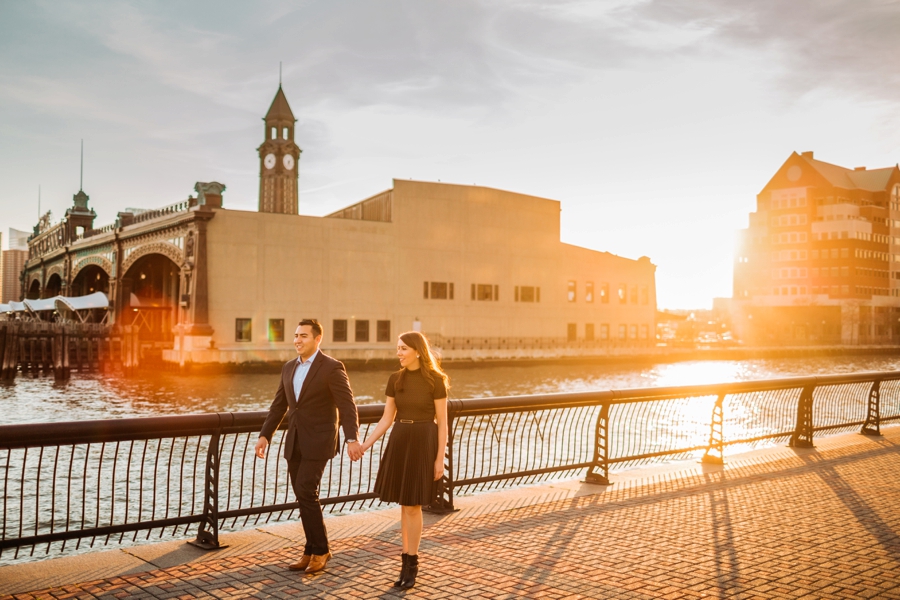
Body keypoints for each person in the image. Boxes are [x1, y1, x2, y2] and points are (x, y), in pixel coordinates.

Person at [255, 319, 362, 574]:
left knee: (306, 488)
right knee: (303, 495)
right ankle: (311, 548)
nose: (297, 340)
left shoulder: (332, 368)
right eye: (295, 335)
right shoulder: (289, 367)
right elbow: (279, 405)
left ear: (317, 339)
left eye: (303, 335)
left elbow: (347, 406)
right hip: (295, 441)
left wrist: (351, 438)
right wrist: (264, 435)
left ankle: (321, 549)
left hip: (320, 440)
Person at [359, 331, 449, 589]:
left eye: (403, 349)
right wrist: (365, 444)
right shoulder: (395, 379)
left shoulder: (436, 380)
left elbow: (442, 423)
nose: (398, 353)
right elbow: (387, 418)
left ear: (417, 351)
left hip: (423, 440)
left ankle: (412, 564)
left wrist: (439, 458)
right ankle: (404, 563)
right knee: (403, 504)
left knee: (413, 505)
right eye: (397, 348)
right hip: (400, 439)